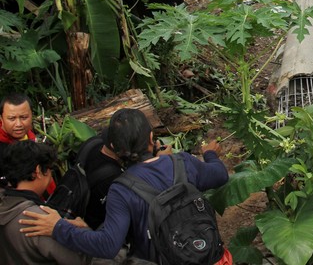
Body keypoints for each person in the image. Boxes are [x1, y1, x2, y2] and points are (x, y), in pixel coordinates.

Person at [19, 108, 230, 263]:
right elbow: (220, 175)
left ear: (115, 148)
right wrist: (210, 153)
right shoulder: (183, 162)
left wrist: (59, 227)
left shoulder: (121, 189)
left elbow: (108, 245)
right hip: (209, 255)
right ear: (151, 137)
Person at [0, 140, 89, 264]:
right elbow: (79, 260)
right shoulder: (40, 220)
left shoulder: (4, 202)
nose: (50, 177)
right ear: (38, 171)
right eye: (49, 171)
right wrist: (82, 231)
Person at [0, 94, 56, 197]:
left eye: (24, 117)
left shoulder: (30, 138)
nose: (19, 124)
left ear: (32, 115)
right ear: (1, 119)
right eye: (12, 119)